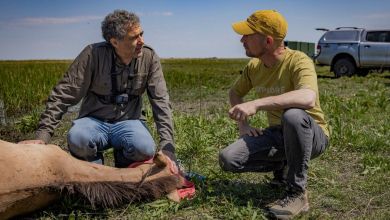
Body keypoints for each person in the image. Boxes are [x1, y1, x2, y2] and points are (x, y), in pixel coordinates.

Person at [19, 10, 176, 168]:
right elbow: (63, 95)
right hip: (94, 121)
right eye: (134, 37)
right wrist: (43, 136)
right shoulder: (92, 55)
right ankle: (94, 172)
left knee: (144, 148)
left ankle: (124, 166)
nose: (142, 41)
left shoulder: (149, 57)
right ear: (114, 42)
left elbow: (160, 101)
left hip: (130, 121)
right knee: (78, 138)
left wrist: (168, 146)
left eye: (141, 34)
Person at [218, 10, 329, 219]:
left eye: (247, 35)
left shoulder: (298, 61)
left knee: (293, 115)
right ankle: (283, 165)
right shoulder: (253, 67)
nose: (242, 39)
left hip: (311, 135)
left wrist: (257, 104)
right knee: (229, 159)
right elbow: (234, 92)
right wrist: (244, 125)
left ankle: (297, 193)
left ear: (268, 41)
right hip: (278, 135)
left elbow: (307, 97)